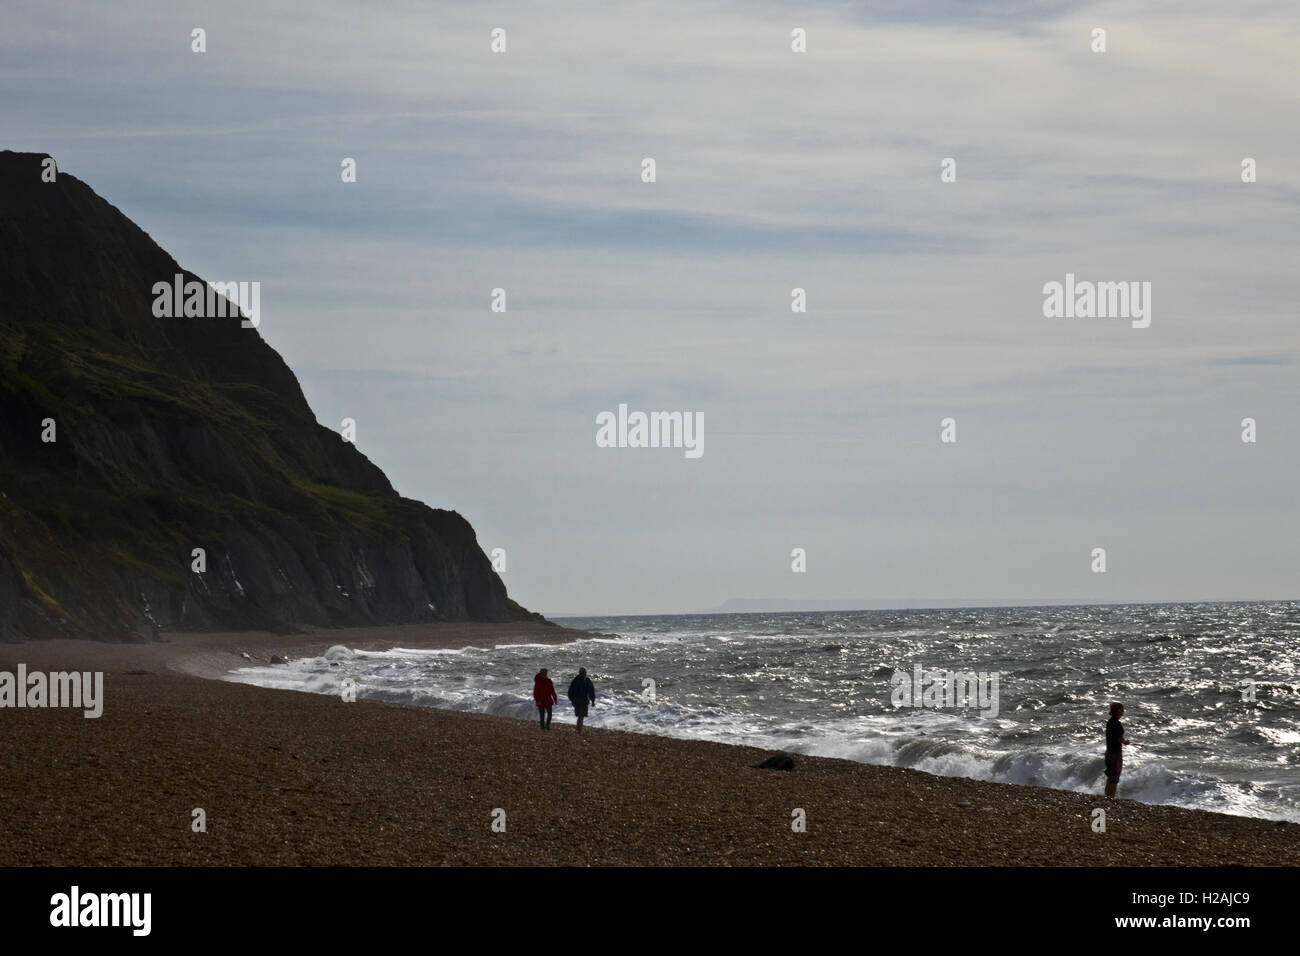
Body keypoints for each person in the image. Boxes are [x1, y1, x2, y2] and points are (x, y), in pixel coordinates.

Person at [1104, 702, 1130, 798]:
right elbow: (1119, 738)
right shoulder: (1116, 723)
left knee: (1110, 776)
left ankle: (1107, 797)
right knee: (1114, 777)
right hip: (1115, 753)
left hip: (1109, 752)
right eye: (1121, 710)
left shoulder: (1110, 722)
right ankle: (1111, 798)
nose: (1122, 712)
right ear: (1116, 711)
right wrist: (1125, 741)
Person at [567, 667, 596, 734]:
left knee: (579, 715)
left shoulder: (575, 680)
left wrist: (572, 700)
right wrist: (593, 700)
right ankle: (579, 730)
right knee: (581, 716)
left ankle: (578, 729)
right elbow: (591, 691)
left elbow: (570, 691)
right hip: (584, 700)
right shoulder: (586, 680)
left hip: (576, 700)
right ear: (585, 673)